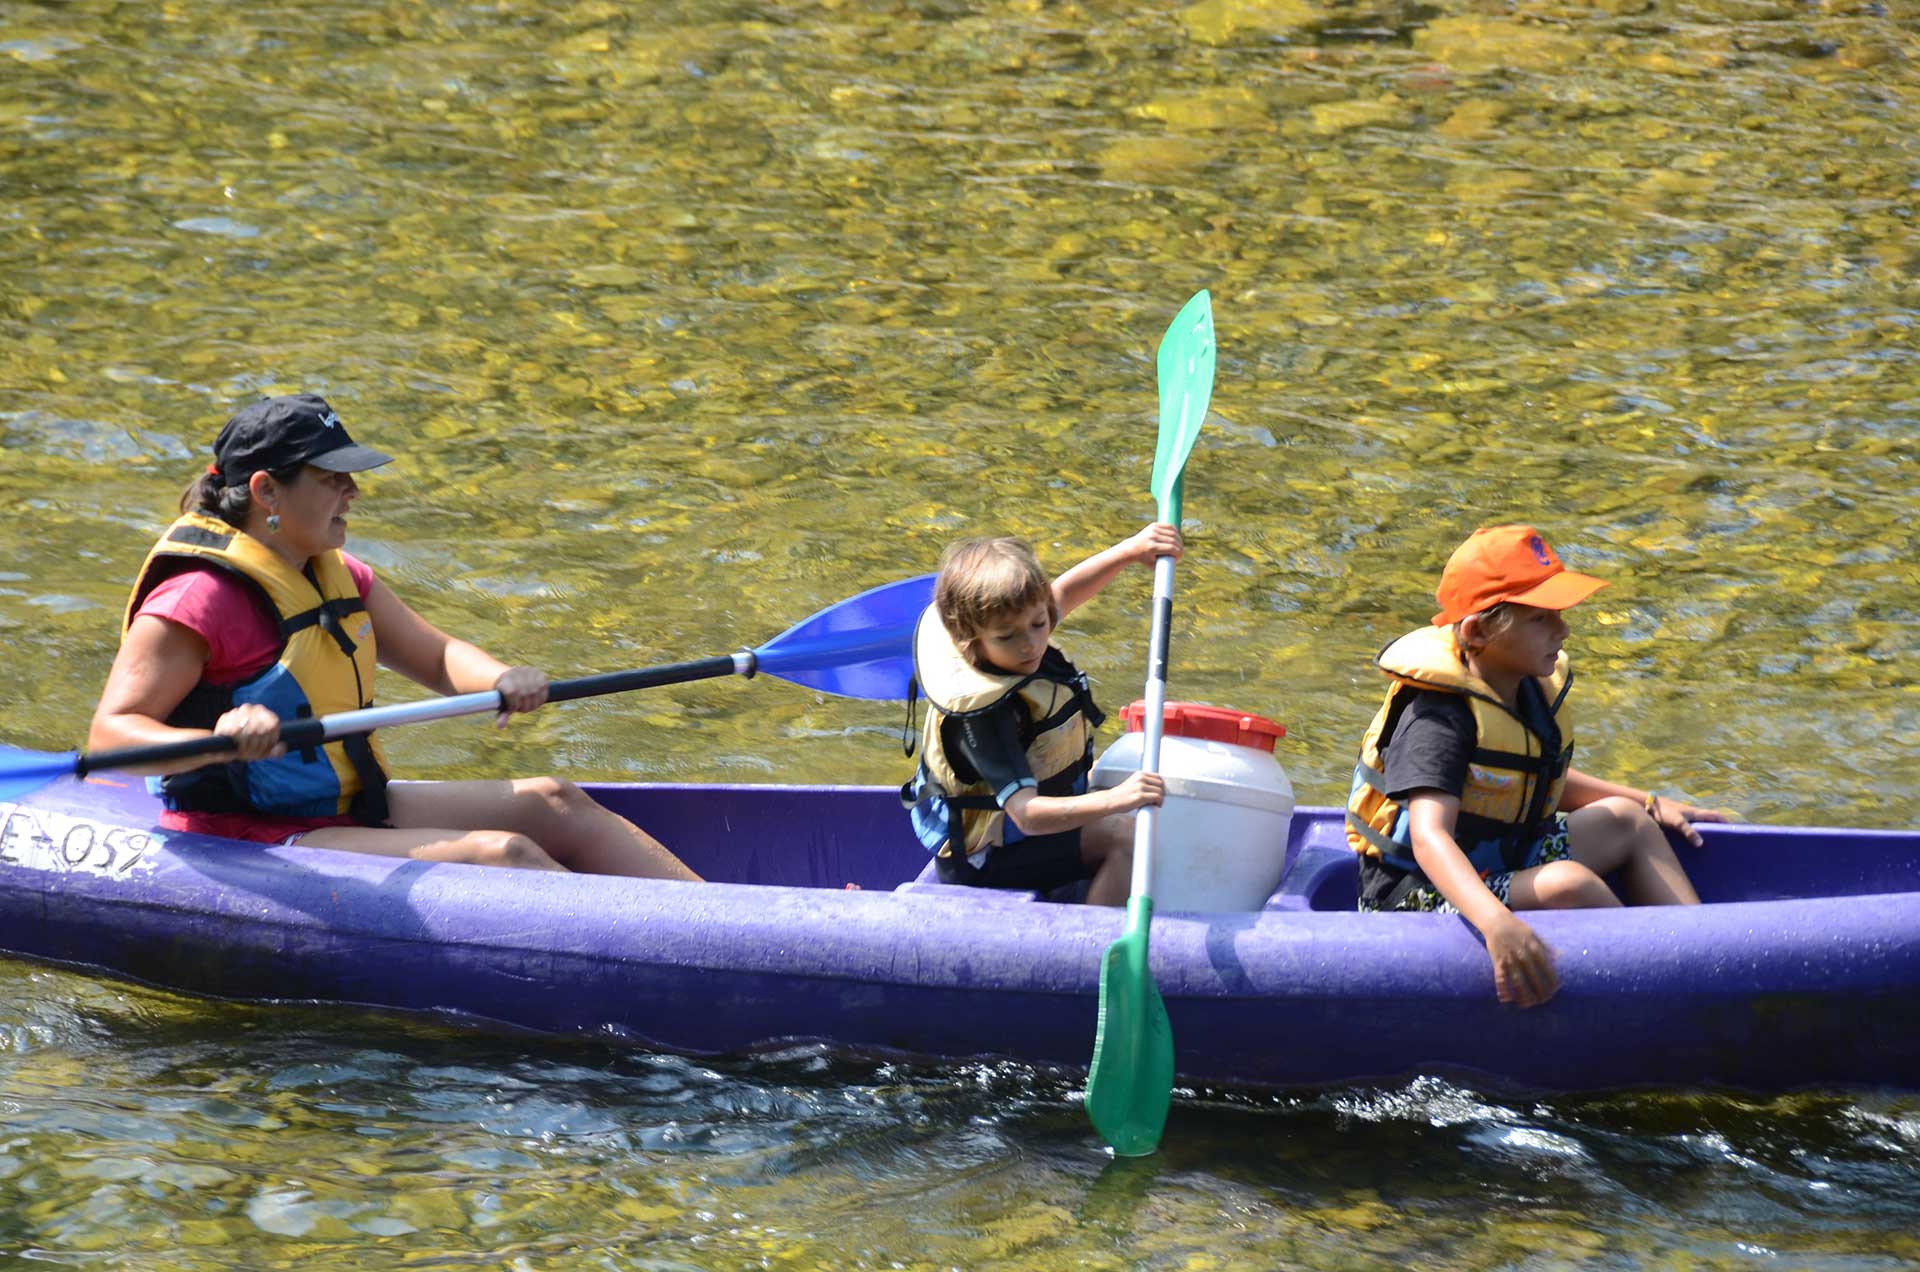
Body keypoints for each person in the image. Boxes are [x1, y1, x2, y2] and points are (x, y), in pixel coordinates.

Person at [88, 393, 700, 880]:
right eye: (331, 478)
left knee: (553, 800)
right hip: (245, 831)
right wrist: (218, 740)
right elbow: (111, 734)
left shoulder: (338, 575)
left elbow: (435, 655)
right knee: (502, 853)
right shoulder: (197, 599)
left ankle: (711, 925)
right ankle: (674, 963)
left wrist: (499, 679)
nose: (353, 492)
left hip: (345, 805)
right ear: (266, 490)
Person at [1345, 524, 1728, 1008]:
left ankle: (1708, 963)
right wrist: (1496, 925)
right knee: (1570, 883)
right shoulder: (1438, 719)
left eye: (1560, 615)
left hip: (1500, 862)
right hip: (1417, 897)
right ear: (1478, 630)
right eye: (1541, 619)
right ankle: (1648, 997)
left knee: (1627, 821)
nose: (1563, 631)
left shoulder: (1521, 685)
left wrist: (1649, 801)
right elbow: (1429, 838)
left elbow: (1529, 782)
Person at [902, 524, 1181, 906]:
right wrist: (1120, 798)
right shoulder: (985, 716)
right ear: (970, 638)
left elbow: (1063, 592)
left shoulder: (1015, 633)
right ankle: (1087, 947)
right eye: (1008, 636)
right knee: (1127, 837)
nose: (1031, 643)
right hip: (986, 860)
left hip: (1024, 829)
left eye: (1039, 624)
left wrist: (1131, 550)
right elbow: (1028, 815)